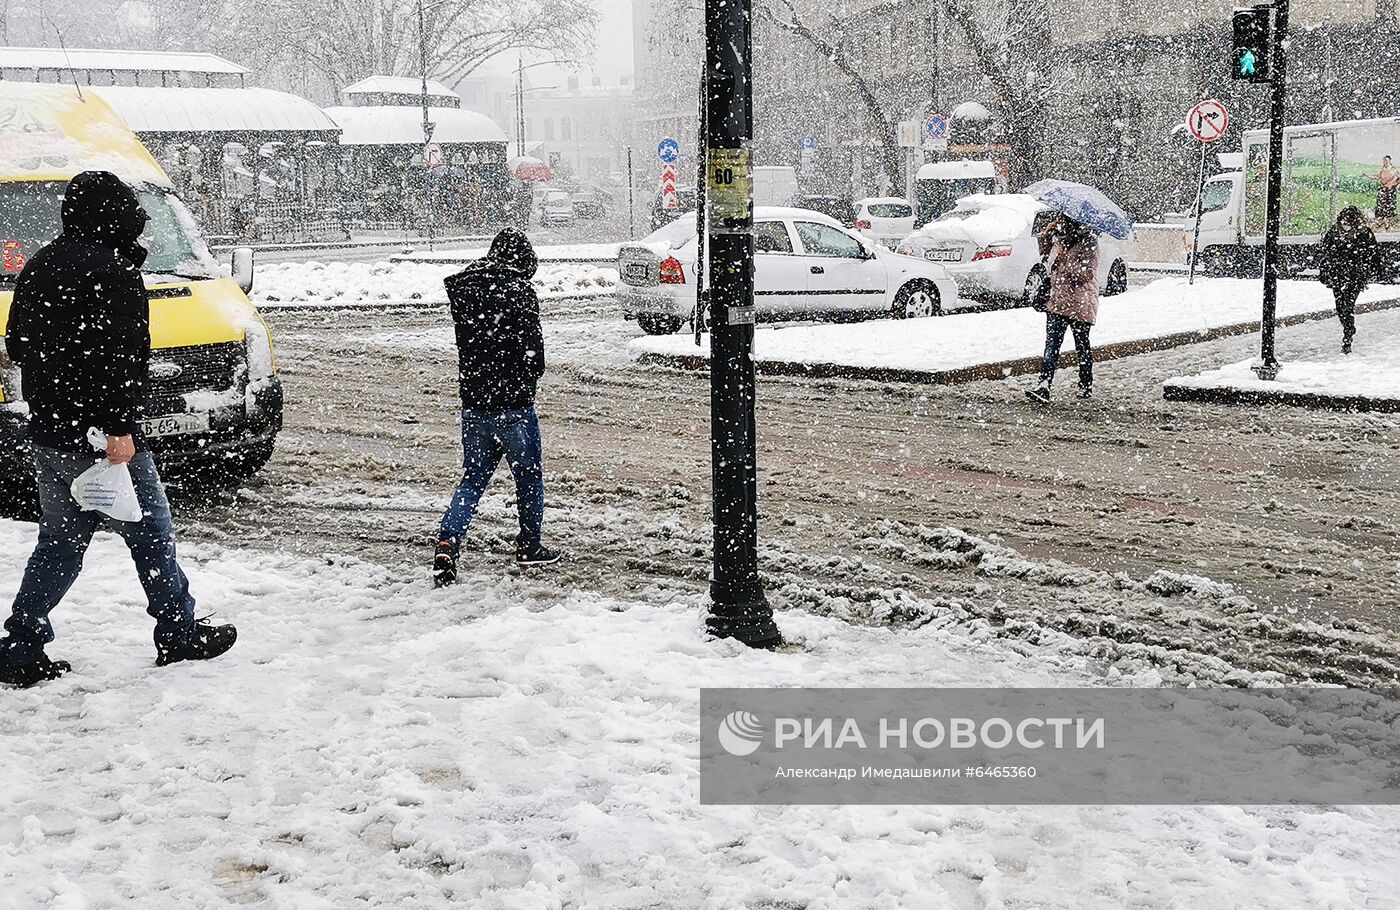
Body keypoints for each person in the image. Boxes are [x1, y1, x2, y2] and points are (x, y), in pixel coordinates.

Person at [0, 171, 236, 689]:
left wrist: (55, 379)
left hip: (50, 432)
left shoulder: (42, 263)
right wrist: (118, 428)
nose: (137, 220)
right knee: (151, 534)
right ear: (112, 214)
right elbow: (122, 361)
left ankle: (20, 643)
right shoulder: (113, 270)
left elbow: (17, 346)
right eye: (128, 209)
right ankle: (178, 631)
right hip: (100, 438)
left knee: (59, 543)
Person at [434, 227, 560, 588]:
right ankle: (529, 546)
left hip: (474, 404)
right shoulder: (519, 291)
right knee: (528, 477)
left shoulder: (466, 291)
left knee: (472, 479)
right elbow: (534, 354)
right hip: (515, 404)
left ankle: (448, 540)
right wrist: (527, 374)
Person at [1026, 215, 1100, 403]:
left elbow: (1086, 275)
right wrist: (1046, 235)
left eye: (1065, 224)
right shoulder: (1060, 241)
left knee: (1082, 345)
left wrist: (1066, 261)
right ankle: (1044, 385)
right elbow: (1046, 260)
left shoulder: (1089, 243)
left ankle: (1085, 384)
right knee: (1051, 346)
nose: (1062, 227)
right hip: (1057, 302)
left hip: (1080, 303)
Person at [1319, 206, 1381, 355]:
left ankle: (1348, 333)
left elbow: (1372, 253)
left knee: (1347, 303)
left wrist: (1372, 268)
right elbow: (1325, 252)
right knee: (1341, 305)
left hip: (1355, 276)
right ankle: (1348, 326)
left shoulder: (1363, 233)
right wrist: (1326, 269)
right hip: (1338, 275)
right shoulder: (1334, 232)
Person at [1376, 155, 1398, 222]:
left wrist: (1393, 184)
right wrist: (1366, 175)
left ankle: (1390, 217)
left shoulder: (1393, 169)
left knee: (1390, 203)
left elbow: (1398, 178)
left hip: (1390, 189)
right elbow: (1377, 177)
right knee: (1381, 202)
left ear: (1389, 161)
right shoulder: (1383, 170)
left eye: (1386, 161)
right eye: (1384, 161)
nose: (1385, 162)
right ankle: (1382, 216)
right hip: (1383, 188)